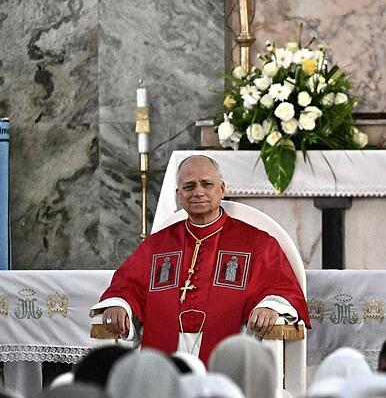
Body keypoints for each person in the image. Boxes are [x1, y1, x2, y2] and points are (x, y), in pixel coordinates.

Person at [92, 155, 309, 363]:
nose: (198, 192)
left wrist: (270, 307)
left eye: (207, 184)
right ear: (179, 194)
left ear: (222, 189)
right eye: (189, 186)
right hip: (165, 350)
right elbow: (128, 284)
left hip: (230, 352)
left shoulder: (256, 242)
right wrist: (119, 304)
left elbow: (281, 286)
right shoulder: (157, 244)